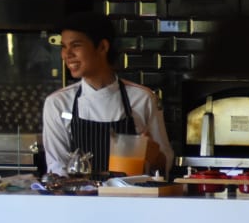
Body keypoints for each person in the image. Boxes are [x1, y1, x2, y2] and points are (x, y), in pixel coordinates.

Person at [42, 12, 174, 176]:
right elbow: (57, 167)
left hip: (130, 192)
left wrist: (155, 157)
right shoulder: (58, 103)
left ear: (102, 47)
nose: (66, 55)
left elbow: (164, 165)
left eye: (75, 45)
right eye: (63, 46)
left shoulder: (142, 98)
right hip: (78, 192)